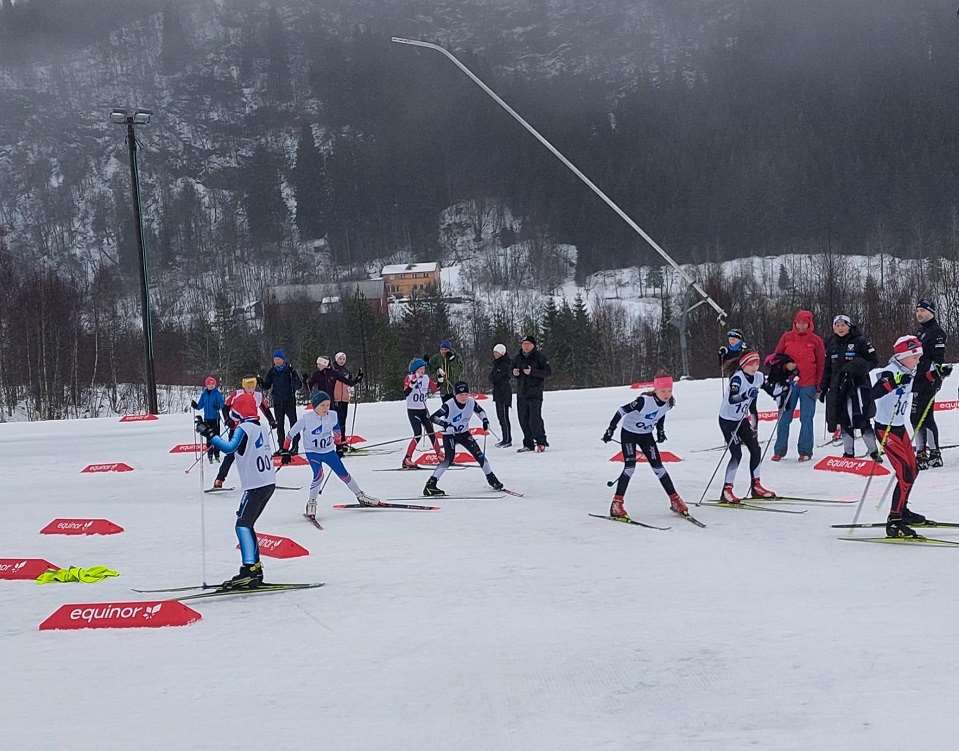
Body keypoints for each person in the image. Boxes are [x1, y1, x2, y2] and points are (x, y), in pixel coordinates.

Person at [196, 392, 276, 589]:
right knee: (246, 523)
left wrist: (209, 434)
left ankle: (250, 570)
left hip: (256, 485)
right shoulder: (260, 427)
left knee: (242, 525)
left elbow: (230, 448)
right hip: (266, 482)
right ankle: (254, 568)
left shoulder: (244, 429)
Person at [869, 336, 935, 537]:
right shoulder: (890, 371)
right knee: (905, 473)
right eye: (914, 357)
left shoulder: (909, 371)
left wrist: (936, 374)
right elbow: (875, 392)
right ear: (902, 357)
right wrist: (895, 382)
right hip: (885, 429)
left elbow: (920, 382)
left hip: (899, 428)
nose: (917, 360)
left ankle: (903, 510)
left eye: (919, 357)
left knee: (913, 470)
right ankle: (894, 519)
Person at [602, 373, 689, 521]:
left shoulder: (668, 403)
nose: (666, 394)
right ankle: (616, 504)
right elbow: (621, 410)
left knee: (659, 468)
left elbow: (660, 414)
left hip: (646, 435)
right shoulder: (644, 401)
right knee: (630, 468)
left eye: (669, 390)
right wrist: (610, 429)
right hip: (629, 434)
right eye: (663, 391)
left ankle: (675, 499)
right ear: (655, 390)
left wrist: (660, 431)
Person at [281, 390, 378, 520]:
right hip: (313, 453)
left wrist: (339, 446)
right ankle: (311, 503)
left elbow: (337, 431)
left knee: (343, 474)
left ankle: (361, 496)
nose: (326, 408)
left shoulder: (332, 415)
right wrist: (285, 451)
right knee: (319, 475)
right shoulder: (306, 419)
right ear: (315, 406)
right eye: (322, 405)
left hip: (328, 451)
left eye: (328, 405)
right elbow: (290, 435)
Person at [423, 381, 503, 496]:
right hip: (449, 435)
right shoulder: (449, 404)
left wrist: (485, 421)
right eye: (461, 395)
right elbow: (433, 417)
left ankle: (491, 479)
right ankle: (430, 485)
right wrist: (445, 424)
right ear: (455, 395)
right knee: (448, 459)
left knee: (479, 455)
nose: (464, 397)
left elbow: (480, 411)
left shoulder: (471, 402)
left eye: (466, 394)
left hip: (464, 433)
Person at [718, 351, 777, 502]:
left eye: (757, 363)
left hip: (741, 419)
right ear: (743, 365)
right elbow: (732, 398)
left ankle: (756, 486)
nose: (755, 367)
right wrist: (746, 395)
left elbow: (771, 390)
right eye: (751, 364)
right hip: (728, 421)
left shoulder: (758, 377)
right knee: (737, 454)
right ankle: (726, 490)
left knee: (756, 449)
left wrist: (783, 391)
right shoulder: (737, 378)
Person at [819, 315, 880, 460]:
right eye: (837, 325)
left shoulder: (860, 341)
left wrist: (860, 366)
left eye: (843, 325)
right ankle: (848, 453)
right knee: (843, 420)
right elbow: (827, 368)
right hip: (838, 387)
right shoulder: (831, 343)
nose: (840, 328)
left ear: (849, 326)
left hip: (858, 386)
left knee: (862, 419)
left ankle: (874, 451)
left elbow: (874, 361)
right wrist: (824, 387)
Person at [772, 310, 825, 461]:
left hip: (809, 384)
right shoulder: (787, 337)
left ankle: (805, 451)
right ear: (794, 323)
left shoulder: (816, 340)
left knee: (806, 418)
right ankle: (779, 450)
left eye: (804, 323)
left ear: (809, 324)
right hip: (789, 383)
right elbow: (776, 358)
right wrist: (785, 366)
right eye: (798, 323)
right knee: (784, 417)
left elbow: (821, 364)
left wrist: (819, 385)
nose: (801, 326)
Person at [212, 376, 276, 490]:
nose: (250, 389)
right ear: (243, 386)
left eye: (252, 386)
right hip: (237, 428)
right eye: (248, 386)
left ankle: (260, 479)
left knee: (254, 453)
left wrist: (272, 420)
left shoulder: (258, 396)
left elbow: (265, 409)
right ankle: (219, 479)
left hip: (251, 429)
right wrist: (228, 420)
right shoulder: (237, 394)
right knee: (231, 454)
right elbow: (225, 407)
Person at [912, 299, 951, 469]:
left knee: (925, 417)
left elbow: (938, 360)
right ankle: (921, 452)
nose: (919, 314)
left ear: (931, 312)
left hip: (928, 380)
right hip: (917, 378)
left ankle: (934, 454)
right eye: (917, 311)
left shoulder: (936, 332)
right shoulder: (921, 331)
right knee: (915, 417)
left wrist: (935, 378)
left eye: (923, 310)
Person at [401, 358, 443, 469]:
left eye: (423, 369)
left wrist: (440, 380)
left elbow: (434, 389)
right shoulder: (409, 378)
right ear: (415, 370)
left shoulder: (425, 378)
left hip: (423, 410)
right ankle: (407, 459)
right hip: (413, 410)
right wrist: (412, 383)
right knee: (418, 434)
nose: (422, 371)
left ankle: (440, 455)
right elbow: (406, 392)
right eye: (420, 369)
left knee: (431, 432)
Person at [512, 336, 552, 452]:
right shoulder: (518, 357)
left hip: (535, 393)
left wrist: (532, 372)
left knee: (534, 419)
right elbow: (511, 370)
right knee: (523, 419)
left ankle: (541, 441)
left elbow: (548, 372)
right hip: (521, 393)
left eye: (528, 344)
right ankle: (528, 443)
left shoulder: (540, 357)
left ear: (533, 345)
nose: (525, 346)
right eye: (524, 344)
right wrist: (514, 373)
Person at [262, 350, 303, 457]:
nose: (277, 361)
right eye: (275, 359)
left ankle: (295, 446)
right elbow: (267, 385)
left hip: (289, 400)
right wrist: (260, 382)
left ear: (283, 360)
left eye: (279, 359)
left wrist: (295, 379)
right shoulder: (272, 371)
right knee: (280, 425)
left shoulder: (289, 370)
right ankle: (282, 447)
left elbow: (299, 385)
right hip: (278, 401)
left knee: (293, 423)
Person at [331, 352, 364, 444]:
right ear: (336, 359)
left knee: (343, 420)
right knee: (336, 421)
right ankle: (336, 441)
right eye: (340, 359)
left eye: (343, 359)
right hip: (335, 398)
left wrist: (358, 378)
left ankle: (342, 440)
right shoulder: (333, 370)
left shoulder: (346, 371)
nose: (342, 361)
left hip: (344, 398)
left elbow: (350, 383)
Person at [191, 375, 225, 463]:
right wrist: (195, 406)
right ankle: (210, 454)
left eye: (213, 384)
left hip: (215, 418)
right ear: (206, 385)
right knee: (209, 437)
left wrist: (218, 406)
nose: (211, 386)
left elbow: (222, 403)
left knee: (216, 437)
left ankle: (217, 454)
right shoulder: (204, 394)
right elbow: (200, 405)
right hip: (207, 418)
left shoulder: (217, 393)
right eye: (209, 384)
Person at [489, 343, 513, 447]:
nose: (495, 354)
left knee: (504, 417)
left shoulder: (505, 364)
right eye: (494, 352)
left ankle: (507, 439)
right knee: (500, 417)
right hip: (498, 393)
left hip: (504, 393)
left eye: (497, 353)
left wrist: (495, 377)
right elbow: (491, 377)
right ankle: (505, 438)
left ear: (502, 353)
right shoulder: (496, 364)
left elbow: (498, 377)